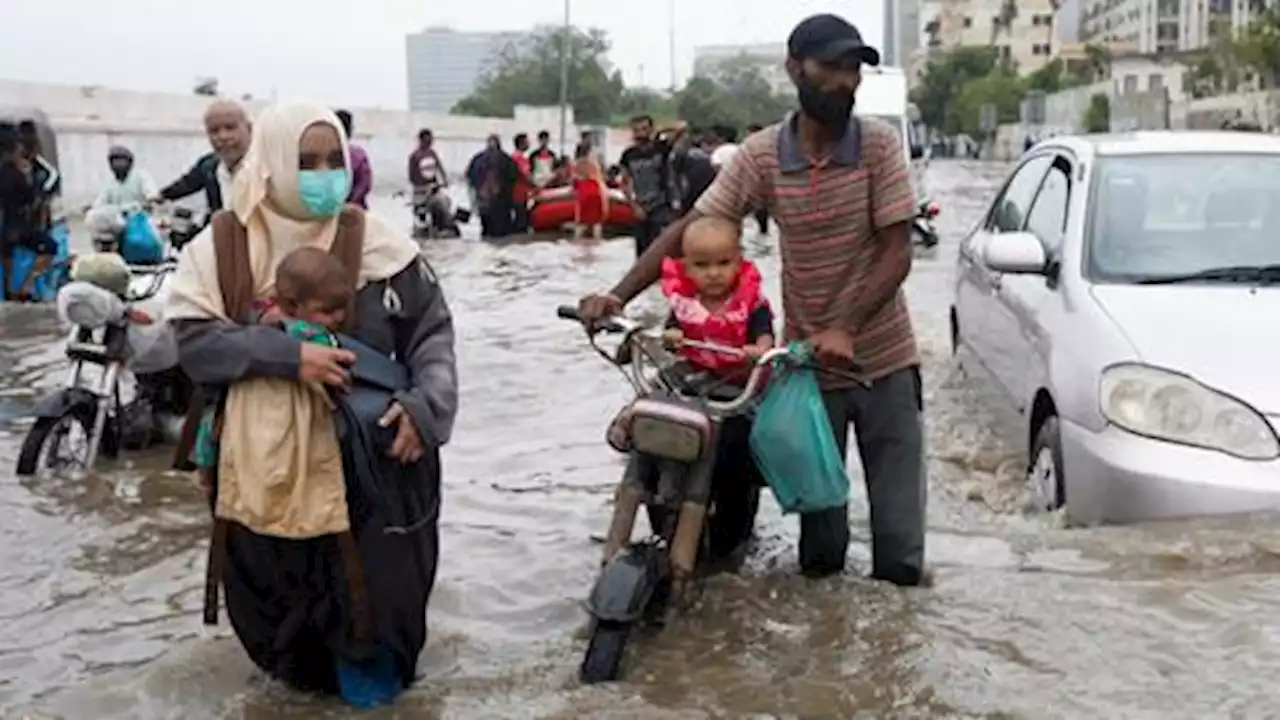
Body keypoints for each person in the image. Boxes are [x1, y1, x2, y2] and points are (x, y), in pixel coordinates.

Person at [575, 13, 927, 587]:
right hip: (809, 371)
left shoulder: (879, 148)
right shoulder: (764, 156)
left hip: (884, 361)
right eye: (830, 67)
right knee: (821, 555)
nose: (844, 81)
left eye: (853, 69)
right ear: (795, 70)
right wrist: (614, 296)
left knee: (900, 555)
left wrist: (846, 325)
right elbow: (693, 227)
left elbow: (896, 252)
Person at [165, 103, 457, 701]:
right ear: (271, 163)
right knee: (281, 632)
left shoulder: (381, 247)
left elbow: (432, 337)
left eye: (333, 160)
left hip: (373, 475)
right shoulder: (223, 245)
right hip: (259, 470)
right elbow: (194, 344)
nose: (324, 173)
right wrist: (288, 356)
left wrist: (427, 409)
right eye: (305, 162)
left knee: (376, 619)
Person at [191, 245, 354, 477]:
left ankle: (206, 472)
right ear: (290, 305)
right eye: (328, 311)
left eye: (342, 308)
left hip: (243, 430)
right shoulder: (313, 336)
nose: (339, 317)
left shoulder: (251, 323)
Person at [157, 100, 252, 215]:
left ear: (249, 129)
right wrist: (158, 197)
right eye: (214, 131)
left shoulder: (267, 167)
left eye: (230, 128)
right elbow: (186, 184)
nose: (223, 136)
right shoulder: (210, 166)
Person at [618, 115, 684, 257]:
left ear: (650, 130)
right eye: (636, 130)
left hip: (662, 204)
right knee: (641, 251)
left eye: (644, 129)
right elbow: (624, 183)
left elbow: (681, 127)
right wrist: (634, 206)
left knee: (661, 247)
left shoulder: (661, 147)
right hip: (641, 206)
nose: (641, 133)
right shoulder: (628, 155)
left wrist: (660, 130)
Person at [87, 146, 160, 236]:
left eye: (121, 161)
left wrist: (151, 199)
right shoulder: (110, 183)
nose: (118, 165)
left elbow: (151, 193)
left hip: (139, 220)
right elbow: (101, 201)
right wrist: (92, 208)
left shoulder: (141, 176)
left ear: (129, 163)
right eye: (115, 162)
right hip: (116, 222)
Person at [466, 135, 517, 238]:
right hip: (498, 202)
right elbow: (513, 179)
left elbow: (469, 177)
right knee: (500, 232)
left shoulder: (478, 159)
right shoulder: (505, 159)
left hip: (489, 201)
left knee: (487, 231)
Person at [335, 109, 372, 209]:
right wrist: (350, 203)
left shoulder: (322, 155)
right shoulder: (359, 155)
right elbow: (365, 185)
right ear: (350, 130)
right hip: (356, 211)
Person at [571, 142, 606, 241]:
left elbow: (574, 182)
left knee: (581, 225)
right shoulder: (594, 164)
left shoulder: (576, 164)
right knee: (596, 225)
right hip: (596, 191)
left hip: (584, 192)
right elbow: (600, 179)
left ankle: (578, 245)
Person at [745, 123, 770, 234]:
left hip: (765, 187)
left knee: (762, 211)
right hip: (755, 187)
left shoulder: (767, 149)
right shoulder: (747, 150)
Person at [510, 133, 535, 233]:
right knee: (521, 221)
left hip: (516, 192)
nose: (529, 143)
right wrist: (538, 185)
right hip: (520, 193)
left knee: (519, 218)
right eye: (527, 141)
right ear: (521, 143)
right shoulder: (519, 158)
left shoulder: (512, 157)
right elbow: (526, 175)